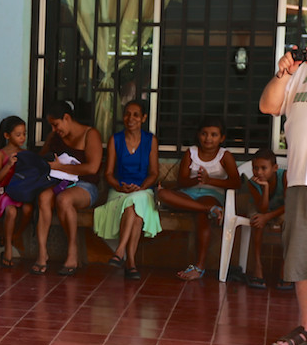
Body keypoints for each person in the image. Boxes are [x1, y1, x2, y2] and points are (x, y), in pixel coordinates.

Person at [261, 48, 307, 345]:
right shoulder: (298, 72)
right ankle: (306, 328)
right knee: (301, 260)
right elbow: (268, 105)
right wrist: (284, 73)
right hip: (301, 181)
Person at [156, 116, 239, 280]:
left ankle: (199, 267)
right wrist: (197, 180)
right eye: (204, 134)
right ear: (198, 135)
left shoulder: (225, 156)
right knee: (162, 193)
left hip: (211, 195)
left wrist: (210, 181)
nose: (208, 138)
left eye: (214, 135)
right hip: (189, 194)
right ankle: (209, 210)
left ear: (222, 138)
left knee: (201, 216)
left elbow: (236, 183)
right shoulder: (191, 152)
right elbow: (182, 181)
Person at [31, 100, 103, 276]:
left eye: (56, 125)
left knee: (64, 200)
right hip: (58, 183)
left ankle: (73, 251)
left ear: (67, 118)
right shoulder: (54, 137)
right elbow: (43, 160)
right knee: (43, 197)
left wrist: (60, 167)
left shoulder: (90, 134)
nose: (55, 130)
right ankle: (42, 253)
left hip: (85, 186)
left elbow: (92, 168)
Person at [93, 100, 161, 281]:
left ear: (144, 118)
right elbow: (108, 173)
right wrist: (119, 186)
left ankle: (120, 251)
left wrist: (141, 187)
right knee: (135, 212)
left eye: (136, 115)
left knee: (136, 201)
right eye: (127, 114)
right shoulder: (115, 140)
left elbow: (154, 173)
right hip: (119, 191)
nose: (130, 118)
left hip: (144, 190)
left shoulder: (150, 140)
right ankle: (130, 262)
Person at [243, 148, 287, 290]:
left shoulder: (284, 177)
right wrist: (265, 188)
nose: (259, 172)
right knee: (257, 220)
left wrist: (267, 216)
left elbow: (289, 204)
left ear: (275, 168)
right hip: (260, 208)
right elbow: (262, 209)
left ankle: (285, 266)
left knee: (290, 221)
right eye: (255, 168)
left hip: (281, 209)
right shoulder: (252, 183)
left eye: (264, 168)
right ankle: (257, 265)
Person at [0, 115, 33, 268]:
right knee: (12, 211)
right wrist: (8, 164)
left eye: (24, 133)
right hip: (4, 192)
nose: (22, 137)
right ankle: (8, 246)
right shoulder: (0, 154)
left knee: (28, 209)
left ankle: (16, 235)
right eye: (18, 134)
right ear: (7, 136)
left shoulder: (24, 153)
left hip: (20, 191)